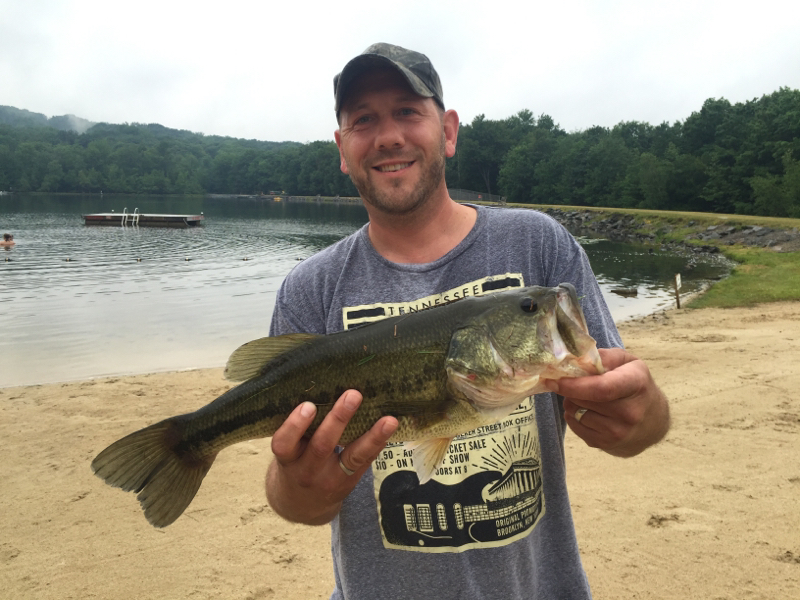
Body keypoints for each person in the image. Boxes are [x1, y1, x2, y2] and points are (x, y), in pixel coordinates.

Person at [265, 43, 670, 599]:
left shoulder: (538, 244)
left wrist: (644, 415)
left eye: (408, 110)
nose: (388, 136)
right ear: (342, 148)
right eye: (363, 120)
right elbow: (295, 500)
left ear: (448, 131)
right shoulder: (309, 288)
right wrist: (303, 490)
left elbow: (631, 428)